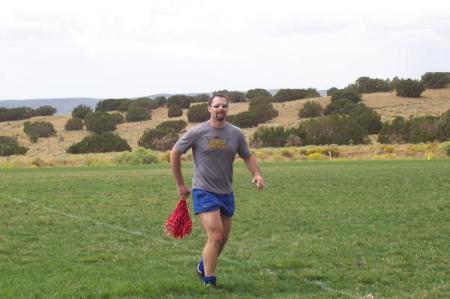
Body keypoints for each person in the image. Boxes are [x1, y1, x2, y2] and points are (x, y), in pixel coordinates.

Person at [170, 93, 265, 288]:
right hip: (203, 190)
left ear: (228, 109)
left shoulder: (235, 133)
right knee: (215, 234)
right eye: (216, 106)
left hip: (226, 192)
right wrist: (180, 184)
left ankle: (202, 266)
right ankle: (209, 281)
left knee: (223, 239)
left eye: (224, 106)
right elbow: (175, 152)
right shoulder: (198, 132)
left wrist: (257, 174)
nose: (220, 109)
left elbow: (247, 156)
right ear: (209, 109)